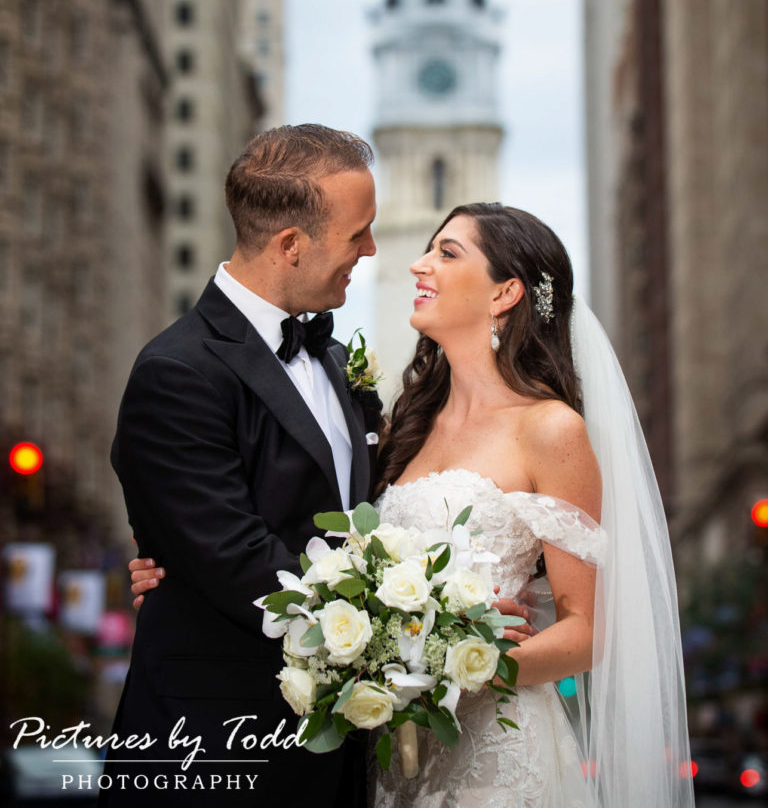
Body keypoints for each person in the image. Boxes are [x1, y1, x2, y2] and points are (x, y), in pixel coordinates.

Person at [133, 199, 694, 807]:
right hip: (386, 758)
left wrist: (457, 670)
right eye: (428, 248)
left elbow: (588, 629)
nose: (418, 265)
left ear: (505, 293)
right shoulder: (402, 423)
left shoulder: (551, 430)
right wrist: (182, 570)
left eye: (447, 253)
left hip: (494, 756)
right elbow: (323, 541)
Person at [100, 125, 382, 807]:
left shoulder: (342, 364)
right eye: (358, 233)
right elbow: (234, 556)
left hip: (338, 755)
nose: (371, 250)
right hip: (217, 751)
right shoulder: (177, 370)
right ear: (291, 245)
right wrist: (407, 622)